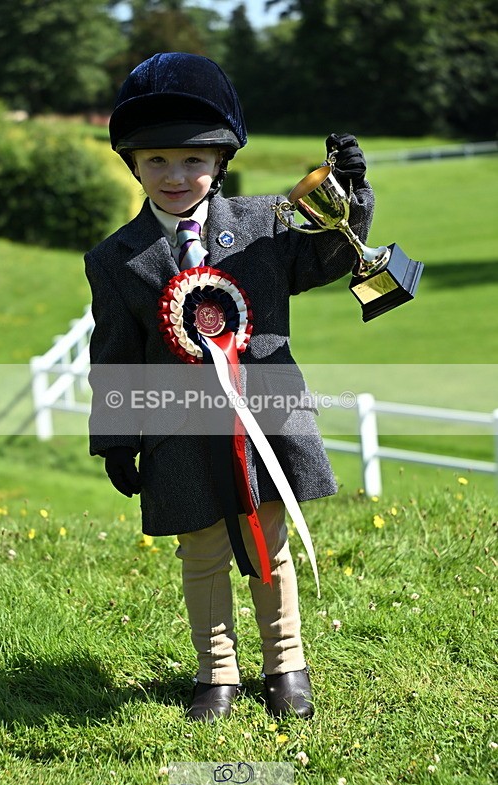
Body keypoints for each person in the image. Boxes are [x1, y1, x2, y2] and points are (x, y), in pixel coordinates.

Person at [85, 52, 374, 722]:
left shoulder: (265, 224)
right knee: (204, 551)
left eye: (192, 160)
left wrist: (353, 202)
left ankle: (286, 665)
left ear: (219, 161)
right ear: (132, 165)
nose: (175, 176)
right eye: (155, 161)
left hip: (266, 423)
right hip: (176, 434)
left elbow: (328, 257)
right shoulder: (113, 259)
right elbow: (114, 355)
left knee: (270, 544)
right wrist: (115, 440)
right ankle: (216, 673)